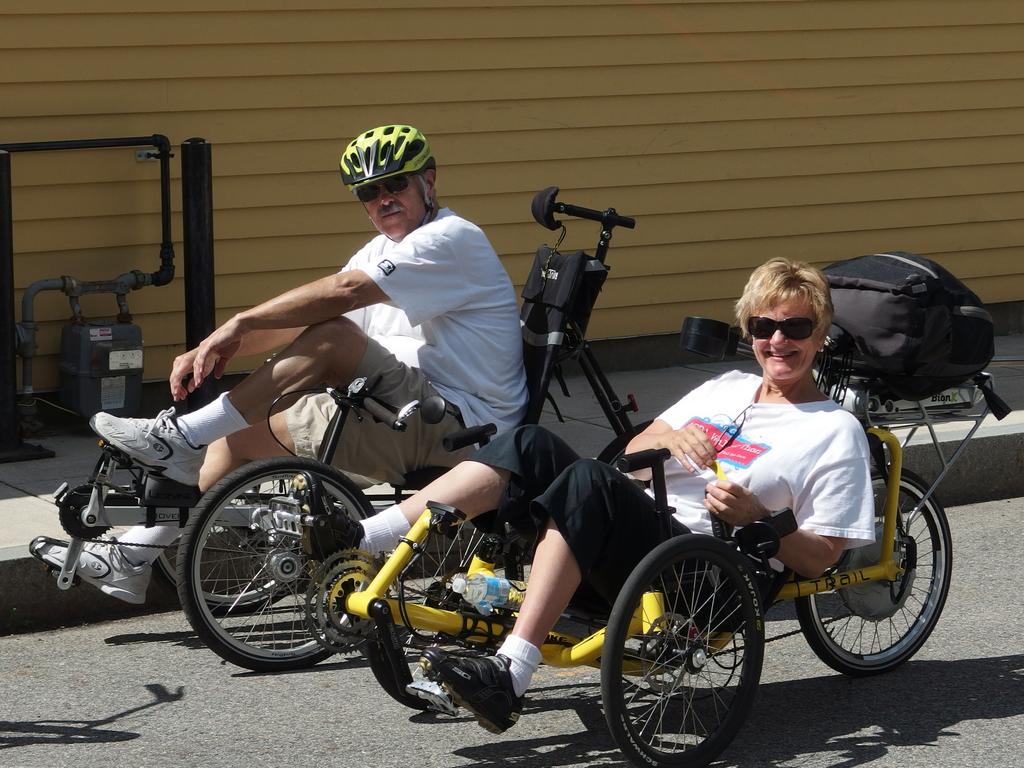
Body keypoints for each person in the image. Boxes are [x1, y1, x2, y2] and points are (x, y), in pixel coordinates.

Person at [315, 256, 877, 733]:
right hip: (641, 534)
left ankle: (511, 671)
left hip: (705, 571)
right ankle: (362, 535)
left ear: (820, 335)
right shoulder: (726, 388)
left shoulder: (832, 430)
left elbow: (823, 555)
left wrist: (762, 517)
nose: (777, 341)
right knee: (529, 442)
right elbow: (638, 448)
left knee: (588, 480)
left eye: (796, 329)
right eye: (763, 326)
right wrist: (671, 434)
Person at [30, 124, 528, 604]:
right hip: (399, 410)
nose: (383, 200)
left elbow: (342, 296)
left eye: (395, 184)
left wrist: (241, 324)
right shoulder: (382, 249)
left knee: (333, 337)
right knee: (234, 437)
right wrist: (215, 344)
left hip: (463, 427)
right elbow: (298, 322)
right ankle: (136, 554)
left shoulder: (452, 238)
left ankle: (181, 437)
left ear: (429, 180)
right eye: (368, 192)